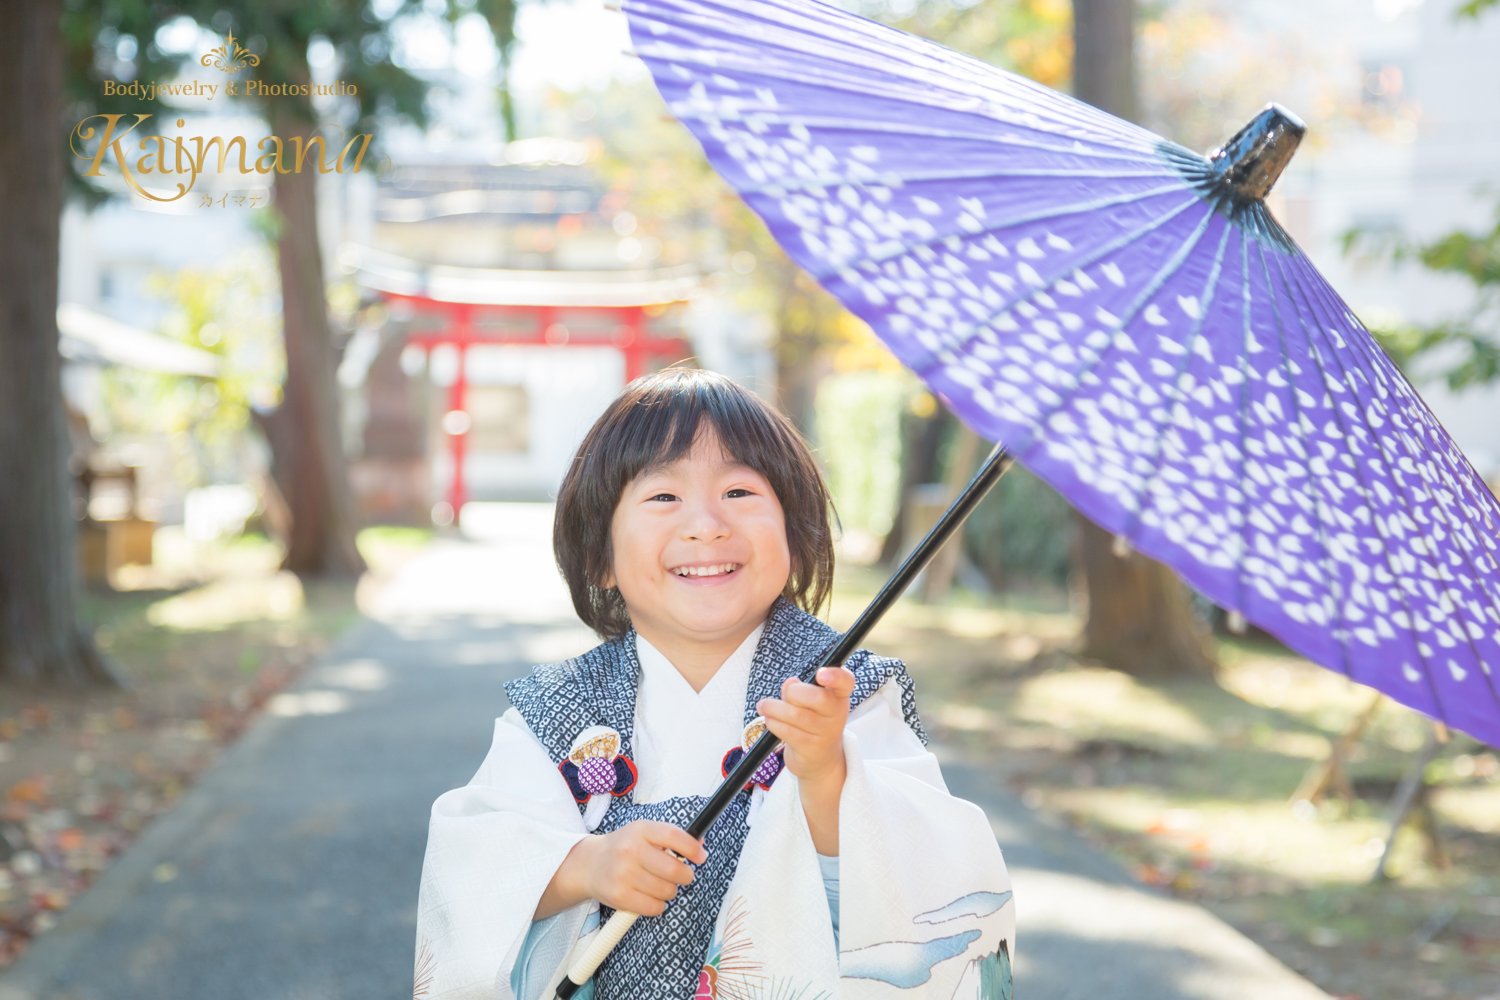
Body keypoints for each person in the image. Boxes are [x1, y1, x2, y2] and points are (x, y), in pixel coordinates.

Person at [414, 367, 1014, 1000]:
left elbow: (923, 871)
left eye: (739, 492)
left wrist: (829, 774)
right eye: (663, 498)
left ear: (794, 531)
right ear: (600, 558)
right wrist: (583, 867)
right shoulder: (556, 713)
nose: (705, 524)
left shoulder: (847, 695)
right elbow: (475, 859)